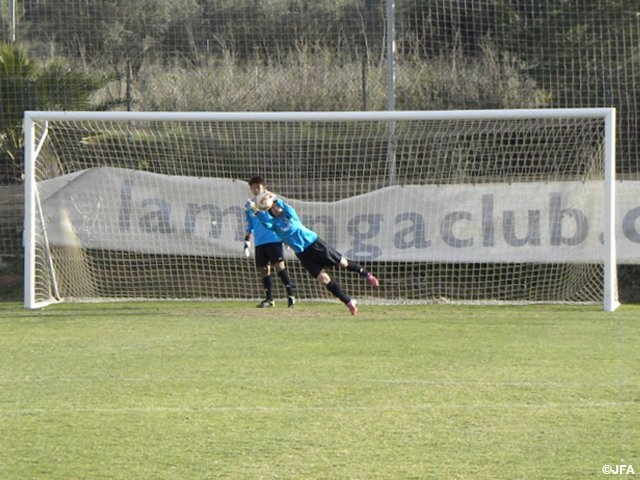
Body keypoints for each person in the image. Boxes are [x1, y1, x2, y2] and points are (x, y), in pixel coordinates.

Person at [247, 194, 379, 315]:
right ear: (270, 211)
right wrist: (257, 211)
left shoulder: (290, 215)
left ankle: (366, 274)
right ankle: (349, 302)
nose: (276, 209)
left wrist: (274, 199)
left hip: (315, 244)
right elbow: (265, 222)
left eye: (277, 207)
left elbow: (284, 205)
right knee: (323, 280)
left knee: (342, 263)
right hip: (303, 254)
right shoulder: (274, 225)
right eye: (273, 208)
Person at [244, 176, 296, 308]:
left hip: (273, 238)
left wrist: (286, 236)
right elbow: (250, 224)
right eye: (253, 187)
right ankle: (269, 299)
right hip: (259, 242)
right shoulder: (249, 205)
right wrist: (247, 240)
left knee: (279, 266)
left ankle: (290, 295)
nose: (256, 190)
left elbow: (282, 217)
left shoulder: (271, 200)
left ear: (264, 188)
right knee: (264, 269)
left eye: (258, 187)